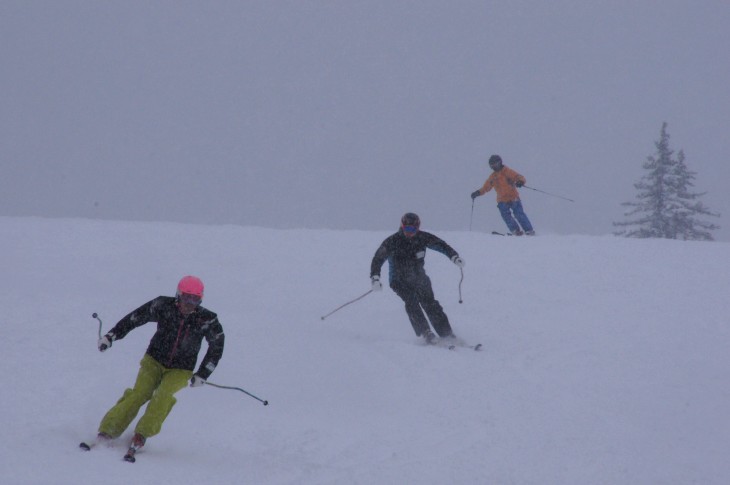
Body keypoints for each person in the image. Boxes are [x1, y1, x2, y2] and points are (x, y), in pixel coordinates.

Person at [89, 275, 225, 457]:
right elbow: (134, 318)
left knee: (163, 396)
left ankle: (141, 435)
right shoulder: (162, 305)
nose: (189, 304)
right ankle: (108, 430)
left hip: (181, 369)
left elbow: (217, 345)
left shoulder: (207, 320)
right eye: (186, 298)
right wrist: (111, 336)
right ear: (178, 295)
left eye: (195, 300)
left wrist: (203, 374)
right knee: (140, 393)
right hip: (153, 360)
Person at [370, 213, 465, 344]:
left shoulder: (422, 238)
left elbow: (441, 245)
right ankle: (425, 332)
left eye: (413, 230)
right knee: (411, 301)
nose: (410, 233)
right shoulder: (392, 241)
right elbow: (378, 259)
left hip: (419, 277)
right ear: (402, 227)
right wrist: (375, 277)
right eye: (407, 229)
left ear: (418, 228)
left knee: (430, 302)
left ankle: (446, 332)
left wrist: (454, 256)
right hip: (398, 280)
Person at [471, 154, 535, 235]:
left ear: (500, 162)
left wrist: (520, 181)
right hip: (502, 200)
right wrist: (477, 193)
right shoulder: (493, 177)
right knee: (506, 216)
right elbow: (486, 188)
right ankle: (516, 231)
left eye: (496, 164)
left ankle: (529, 230)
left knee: (518, 214)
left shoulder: (507, 171)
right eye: (492, 165)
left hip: (513, 197)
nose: (494, 166)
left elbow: (518, 176)